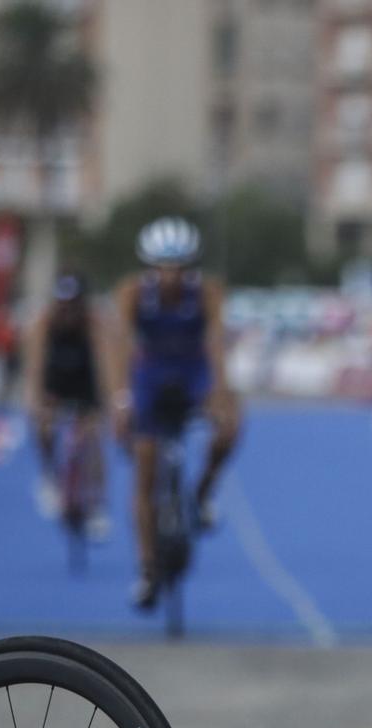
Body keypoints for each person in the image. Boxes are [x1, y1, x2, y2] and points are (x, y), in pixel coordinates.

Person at [108, 217, 241, 611]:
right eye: (163, 266)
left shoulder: (208, 293)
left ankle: (201, 495)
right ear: (150, 266)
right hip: (150, 375)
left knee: (230, 425)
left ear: (191, 266)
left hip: (192, 372)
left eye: (180, 266)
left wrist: (220, 393)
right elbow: (120, 345)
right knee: (145, 469)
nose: (171, 275)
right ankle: (148, 570)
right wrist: (120, 399)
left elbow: (216, 342)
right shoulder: (132, 292)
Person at [22, 272, 112, 539]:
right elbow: (35, 367)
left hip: (86, 382)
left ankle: (96, 504)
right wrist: (35, 403)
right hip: (56, 383)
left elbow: (105, 365)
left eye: (74, 304)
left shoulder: (94, 324)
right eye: (63, 304)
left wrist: (109, 403)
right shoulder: (44, 324)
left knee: (94, 437)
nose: (68, 310)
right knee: (44, 426)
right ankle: (50, 474)